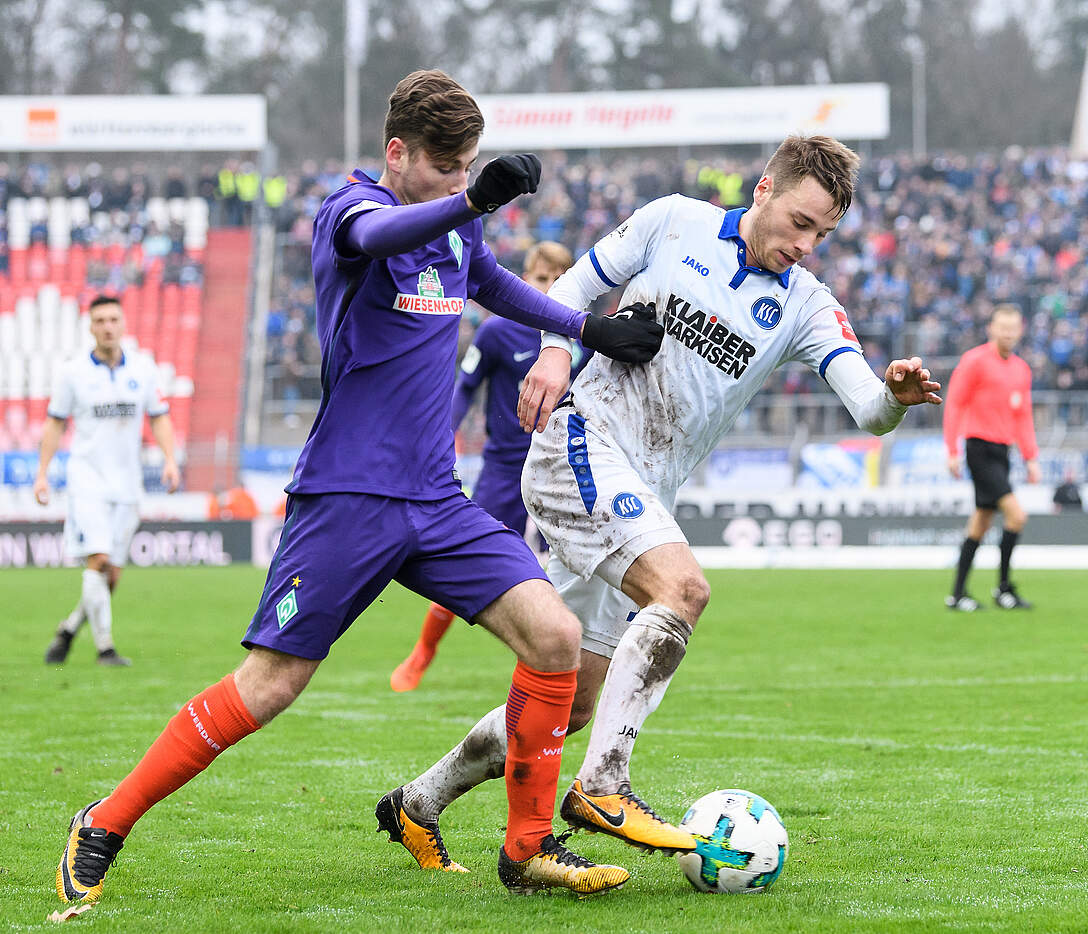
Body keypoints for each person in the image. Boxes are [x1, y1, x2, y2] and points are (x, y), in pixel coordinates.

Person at [55, 69, 664, 907]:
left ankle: (527, 849)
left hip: (435, 500)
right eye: (445, 167)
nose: (458, 182)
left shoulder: (456, 226)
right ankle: (105, 819)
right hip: (347, 496)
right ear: (397, 153)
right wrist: (471, 200)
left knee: (555, 638)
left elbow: (493, 286)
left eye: (468, 168)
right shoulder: (349, 212)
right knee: (271, 685)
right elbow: (379, 235)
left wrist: (591, 327)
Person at [381, 135, 942, 867]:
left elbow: (868, 407)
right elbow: (570, 289)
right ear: (765, 190)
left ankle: (418, 802)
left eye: (823, 235)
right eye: (800, 223)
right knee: (683, 590)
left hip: (644, 493)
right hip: (580, 443)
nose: (806, 245)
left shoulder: (806, 305)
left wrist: (896, 396)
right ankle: (603, 785)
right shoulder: (675, 221)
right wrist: (554, 353)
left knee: (571, 704)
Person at [391, 241, 590, 692]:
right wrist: (441, 436)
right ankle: (424, 650)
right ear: (526, 280)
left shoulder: (579, 338)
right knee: (467, 559)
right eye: (541, 279)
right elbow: (464, 387)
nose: (550, 288)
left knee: (573, 569)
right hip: (505, 469)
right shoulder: (497, 332)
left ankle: (561, 659)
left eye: (559, 280)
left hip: (563, 466)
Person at [37, 295, 181, 667]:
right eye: (100, 320)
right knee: (98, 560)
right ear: (90, 327)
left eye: (113, 319)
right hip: (87, 481)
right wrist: (42, 473)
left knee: (111, 576)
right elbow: (55, 423)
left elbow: (159, 417)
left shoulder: (144, 369)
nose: (107, 327)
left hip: (127, 485)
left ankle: (68, 630)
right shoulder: (72, 373)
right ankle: (106, 649)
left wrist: (169, 459)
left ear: (123, 324)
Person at [942, 303, 1040, 611]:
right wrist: (952, 450)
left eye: (1013, 328)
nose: (1008, 334)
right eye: (1003, 328)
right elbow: (954, 404)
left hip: (1002, 451)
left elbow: (1023, 416)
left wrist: (1031, 456)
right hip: (979, 448)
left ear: (1020, 331)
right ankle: (1004, 589)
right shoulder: (974, 361)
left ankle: (957, 595)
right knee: (1016, 516)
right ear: (991, 329)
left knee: (981, 523)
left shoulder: (1021, 369)